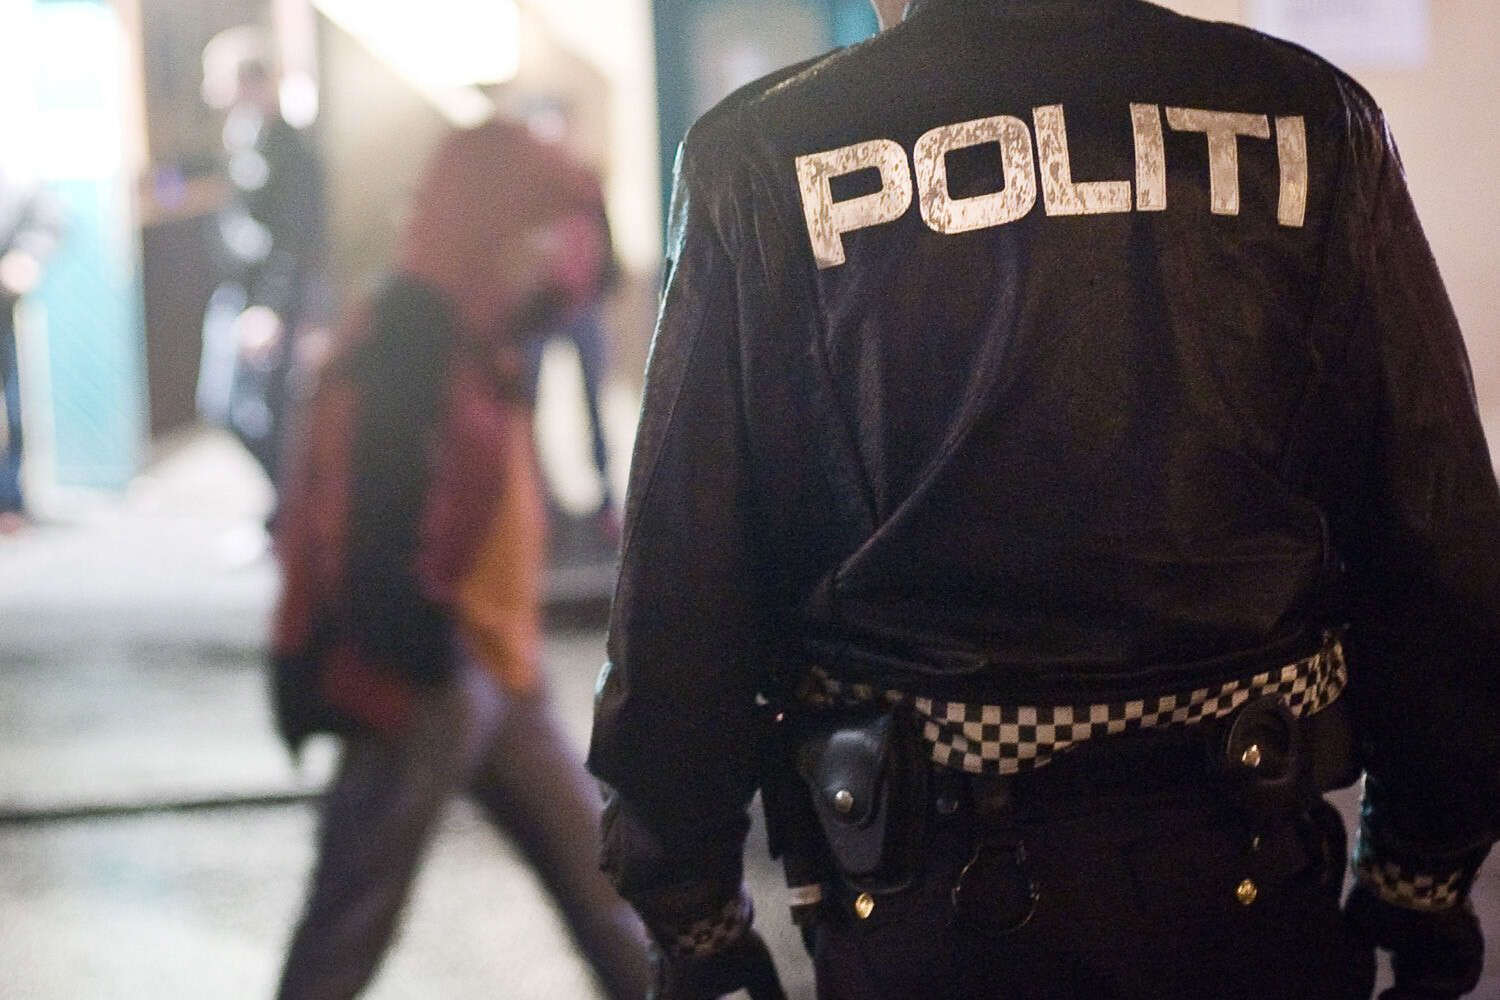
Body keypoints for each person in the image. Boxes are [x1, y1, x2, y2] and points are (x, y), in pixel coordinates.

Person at [587, 1, 1500, 998]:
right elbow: (1436, 533)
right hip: (1249, 874)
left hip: (922, 903)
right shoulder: (1315, 125)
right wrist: (1421, 881)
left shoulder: (760, 156)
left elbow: (683, 579)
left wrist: (694, 919)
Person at [270, 120, 651, 1000]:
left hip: (495, 671)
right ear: (486, 225)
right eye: (534, 230)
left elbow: (597, 273)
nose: (552, 252)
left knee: (611, 903)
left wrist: (583, 203)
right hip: (424, 681)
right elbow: (356, 523)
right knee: (345, 930)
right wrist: (423, 661)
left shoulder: (486, 328)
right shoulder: (407, 337)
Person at [197, 25, 327, 496]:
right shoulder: (245, 139)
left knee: (259, 412)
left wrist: (270, 308)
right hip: (239, 292)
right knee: (227, 406)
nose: (209, 90)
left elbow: (295, 238)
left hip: (266, 300)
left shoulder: (287, 150)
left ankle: (288, 511)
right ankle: (284, 511)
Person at [0, 165, 61, 533]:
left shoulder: (13, 181)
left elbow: (47, 216)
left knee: (11, 409)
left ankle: (9, 500)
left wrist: (27, 255)